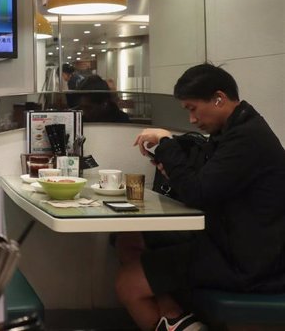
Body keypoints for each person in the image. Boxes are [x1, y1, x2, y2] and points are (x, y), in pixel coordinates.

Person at [115, 63, 285, 331]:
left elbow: (198, 192)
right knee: (128, 238)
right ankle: (173, 317)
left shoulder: (247, 138)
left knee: (128, 283)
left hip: (248, 261)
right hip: (226, 241)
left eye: (192, 109)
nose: (192, 120)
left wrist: (166, 143)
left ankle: (175, 321)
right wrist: (169, 164)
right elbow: (203, 184)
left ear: (218, 98)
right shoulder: (231, 131)